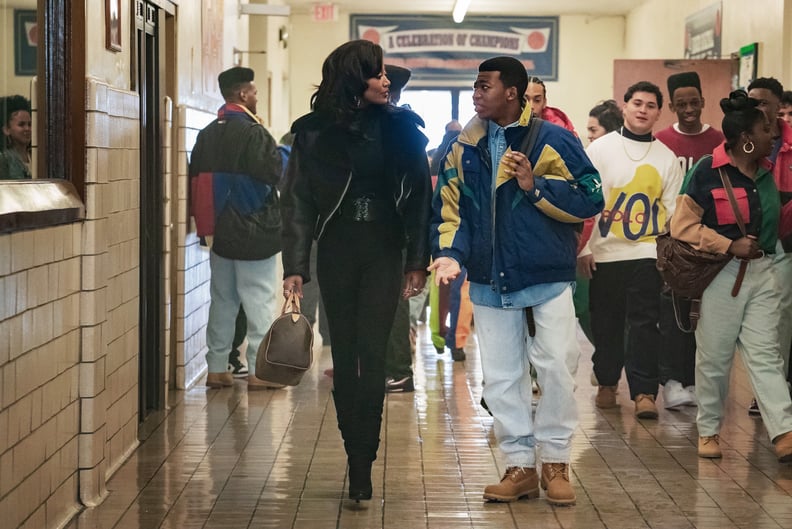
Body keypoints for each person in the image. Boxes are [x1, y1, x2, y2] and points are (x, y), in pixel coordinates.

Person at [430, 56, 603, 506]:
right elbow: (451, 209)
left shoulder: (554, 140)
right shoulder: (462, 147)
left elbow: (591, 197)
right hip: (488, 277)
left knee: (558, 367)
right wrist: (449, 254)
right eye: (474, 86)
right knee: (502, 378)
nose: (476, 93)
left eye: (484, 85)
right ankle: (520, 466)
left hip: (546, 274)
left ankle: (557, 463)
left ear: (513, 92)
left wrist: (536, 187)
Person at [280, 40, 431, 501]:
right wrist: (296, 266)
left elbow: (421, 200)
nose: (387, 81)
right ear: (353, 78)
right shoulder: (312, 132)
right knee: (345, 359)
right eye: (377, 73)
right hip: (339, 250)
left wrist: (415, 261)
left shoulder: (401, 128)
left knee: (375, 357)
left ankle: (365, 456)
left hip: (385, 249)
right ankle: (356, 456)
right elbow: (298, 202)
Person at [670, 89, 792, 462]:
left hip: (763, 273)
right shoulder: (707, 171)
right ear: (746, 140)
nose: (774, 136)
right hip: (721, 277)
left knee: (766, 355)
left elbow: (774, 228)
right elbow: (681, 226)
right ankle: (709, 431)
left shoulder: (766, 174)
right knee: (715, 358)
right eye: (767, 130)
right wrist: (727, 245)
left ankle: (784, 432)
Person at [579, 81, 684, 419]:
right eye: (637, 103)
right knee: (606, 322)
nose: (642, 110)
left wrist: (665, 258)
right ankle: (608, 382)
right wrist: (584, 249)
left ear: (658, 113)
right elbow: (585, 201)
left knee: (644, 324)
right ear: (624, 106)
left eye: (651, 105)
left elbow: (670, 213)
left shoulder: (666, 158)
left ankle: (644, 392)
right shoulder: (600, 149)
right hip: (604, 253)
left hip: (646, 253)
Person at [189, 66, 283, 390]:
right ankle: (260, 371)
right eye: (254, 92)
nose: (257, 97)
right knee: (259, 300)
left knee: (223, 300)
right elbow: (274, 173)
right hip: (252, 228)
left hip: (218, 231)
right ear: (243, 94)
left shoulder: (206, 133)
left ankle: (217, 367)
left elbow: (194, 181)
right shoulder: (254, 132)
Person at [654, 71, 726, 410]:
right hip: (674, 245)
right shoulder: (661, 141)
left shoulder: (721, 140)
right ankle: (671, 380)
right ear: (671, 106)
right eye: (681, 104)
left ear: (703, 102)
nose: (688, 109)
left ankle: (697, 382)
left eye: (694, 102)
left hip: (711, 242)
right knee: (673, 314)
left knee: (708, 317)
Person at [747, 77, 792, 414]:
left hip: (785, 243)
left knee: (782, 318)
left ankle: (775, 391)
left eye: (764, 102)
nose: (758, 108)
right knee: (757, 320)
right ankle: (765, 390)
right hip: (750, 244)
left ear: (779, 107)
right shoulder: (743, 139)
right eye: (752, 101)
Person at [383, 63, 421, 392]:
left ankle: (398, 370)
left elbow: (416, 194)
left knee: (394, 303)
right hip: (391, 231)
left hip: (394, 232)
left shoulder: (401, 129)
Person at [577, 100, 624, 348]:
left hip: (619, 250)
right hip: (589, 248)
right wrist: (584, 248)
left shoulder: (627, 161)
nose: (589, 136)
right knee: (585, 308)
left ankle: (610, 360)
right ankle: (605, 356)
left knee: (617, 313)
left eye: (594, 130)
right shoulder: (587, 158)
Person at [0, 95, 33, 180]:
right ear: (7, 129)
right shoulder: (4, 160)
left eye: (30, 124)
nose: (27, 129)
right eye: (21, 124)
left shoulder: (37, 156)